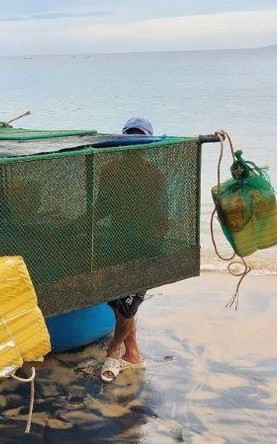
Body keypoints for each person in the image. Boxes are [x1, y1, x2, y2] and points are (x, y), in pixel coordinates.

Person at [98, 117, 168, 382]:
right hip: (115, 242)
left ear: (147, 145)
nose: (134, 147)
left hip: (145, 246)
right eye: (130, 139)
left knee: (129, 305)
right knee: (119, 302)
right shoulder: (110, 170)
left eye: (141, 140)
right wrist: (77, 225)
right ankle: (134, 354)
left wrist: (153, 248)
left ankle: (113, 350)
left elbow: (162, 216)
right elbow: (102, 206)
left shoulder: (155, 175)